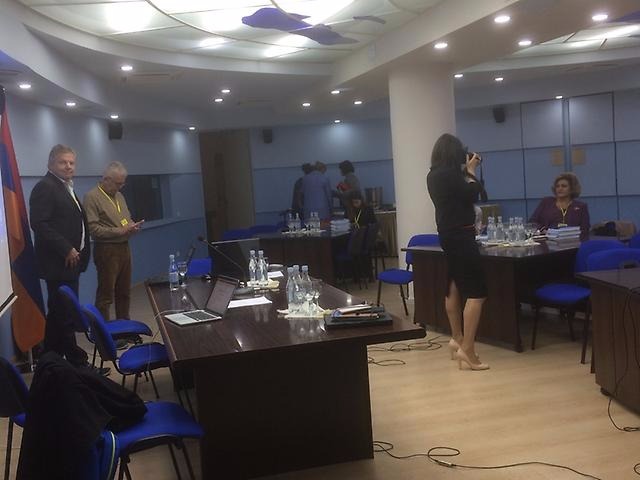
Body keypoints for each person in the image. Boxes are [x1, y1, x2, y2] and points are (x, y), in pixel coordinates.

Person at [426, 133, 489, 370]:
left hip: (447, 234)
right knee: (477, 292)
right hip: (462, 235)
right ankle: (468, 349)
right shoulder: (450, 175)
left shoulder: (433, 175)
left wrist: (466, 172)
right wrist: (471, 170)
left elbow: (463, 194)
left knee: (452, 284)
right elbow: (472, 194)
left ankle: (457, 337)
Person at [29, 144, 91, 368]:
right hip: (59, 263)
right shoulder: (45, 187)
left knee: (58, 315)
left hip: (72, 263)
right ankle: (78, 365)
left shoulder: (65, 187)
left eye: (71, 162)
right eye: (63, 162)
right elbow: (39, 223)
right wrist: (66, 248)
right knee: (65, 315)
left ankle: (49, 363)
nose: (68, 166)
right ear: (50, 164)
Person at [83, 161, 143, 321]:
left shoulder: (119, 196)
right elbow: (93, 229)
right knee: (106, 295)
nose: (120, 187)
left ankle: (125, 326)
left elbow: (125, 219)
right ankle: (104, 330)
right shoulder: (92, 197)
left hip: (124, 247)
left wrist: (132, 226)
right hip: (106, 250)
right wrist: (120, 231)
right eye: (117, 183)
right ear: (106, 179)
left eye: (122, 183)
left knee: (124, 292)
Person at [529, 172, 590, 240]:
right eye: (557, 186)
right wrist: (543, 230)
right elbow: (532, 222)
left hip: (571, 241)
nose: (560, 188)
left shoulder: (581, 207)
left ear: (572, 188)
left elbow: (585, 230)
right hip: (547, 239)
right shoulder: (546, 202)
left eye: (564, 186)